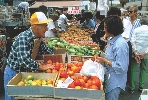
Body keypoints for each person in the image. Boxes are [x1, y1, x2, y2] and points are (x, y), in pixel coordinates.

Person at [4, 12, 54, 100]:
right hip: (14, 73)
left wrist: (55, 58)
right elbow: (24, 60)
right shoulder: (23, 38)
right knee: (12, 98)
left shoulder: (38, 38)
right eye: (44, 25)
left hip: (25, 73)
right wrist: (41, 66)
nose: (47, 28)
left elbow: (45, 51)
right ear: (35, 26)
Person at [96, 16, 129, 100]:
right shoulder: (113, 40)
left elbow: (121, 67)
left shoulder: (120, 45)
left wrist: (104, 60)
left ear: (111, 28)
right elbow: (111, 56)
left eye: (105, 27)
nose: (104, 30)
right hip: (110, 77)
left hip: (115, 81)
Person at [130, 15, 148, 93]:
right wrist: (145, 53)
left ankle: (132, 87)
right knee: (143, 69)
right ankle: (141, 86)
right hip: (146, 54)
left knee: (133, 70)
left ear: (140, 22)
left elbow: (132, 41)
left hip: (136, 53)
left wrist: (135, 52)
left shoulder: (136, 30)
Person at [127, 5, 141, 93]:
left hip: (135, 45)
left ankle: (134, 86)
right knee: (127, 65)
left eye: (131, 11)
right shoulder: (127, 21)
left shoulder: (139, 23)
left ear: (135, 13)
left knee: (133, 66)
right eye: (128, 11)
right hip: (127, 44)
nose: (129, 13)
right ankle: (129, 82)